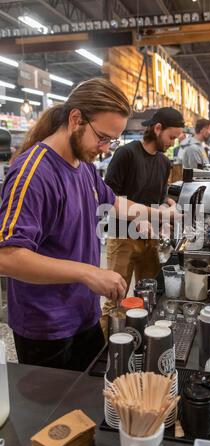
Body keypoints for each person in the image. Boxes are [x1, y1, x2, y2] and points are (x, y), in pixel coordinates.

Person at [0, 78, 174, 371]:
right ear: (76, 119)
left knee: (93, 404)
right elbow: (7, 257)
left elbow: (115, 203)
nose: (106, 149)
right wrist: (88, 273)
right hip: (47, 329)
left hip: (84, 316)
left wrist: (160, 214)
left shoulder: (84, 169)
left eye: (112, 141)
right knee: (60, 416)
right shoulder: (34, 174)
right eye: (102, 137)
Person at [103, 107, 184, 320]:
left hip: (150, 240)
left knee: (150, 297)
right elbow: (109, 199)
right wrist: (139, 219)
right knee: (115, 301)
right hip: (122, 237)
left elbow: (159, 198)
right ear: (157, 129)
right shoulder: (126, 154)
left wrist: (169, 207)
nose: (173, 143)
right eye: (171, 137)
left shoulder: (164, 162)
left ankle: (141, 343)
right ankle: (108, 351)